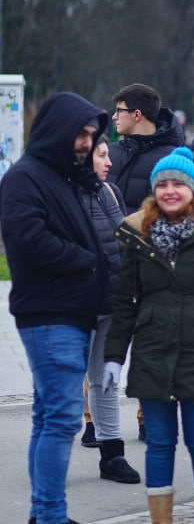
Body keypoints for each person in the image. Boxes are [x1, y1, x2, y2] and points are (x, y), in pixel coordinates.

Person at [102, 147, 194, 524]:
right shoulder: (139, 236)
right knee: (160, 445)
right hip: (154, 355)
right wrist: (114, 356)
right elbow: (126, 302)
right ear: (154, 190)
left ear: (193, 190)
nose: (170, 190)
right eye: (162, 184)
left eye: (178, 184)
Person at [0, 92, 109, 524]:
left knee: (49, 417)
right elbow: (28, 239)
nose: (85, 142)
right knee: (63, 420)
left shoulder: (63, 175)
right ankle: (48, 515)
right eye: (79, 133)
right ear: (55, 130)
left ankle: (44, 513)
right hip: (51, 314)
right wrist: (86, 261)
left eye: (90, 134)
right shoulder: (25, 177)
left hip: (68, 312)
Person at [81, 135, 142, 485]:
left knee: (106, 378)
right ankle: (50, 460)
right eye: (102, 155)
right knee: (68, 384)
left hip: (112, 303)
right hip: (80, 305)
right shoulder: (66, 194)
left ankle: (112, 454)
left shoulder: (110, 192)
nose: (109, 162)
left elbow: (124, 240)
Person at [107, 83, 187, 213]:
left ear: (137, 115)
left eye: (120, 111)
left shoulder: (173, 160)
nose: (114, 116)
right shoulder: (108, 154)